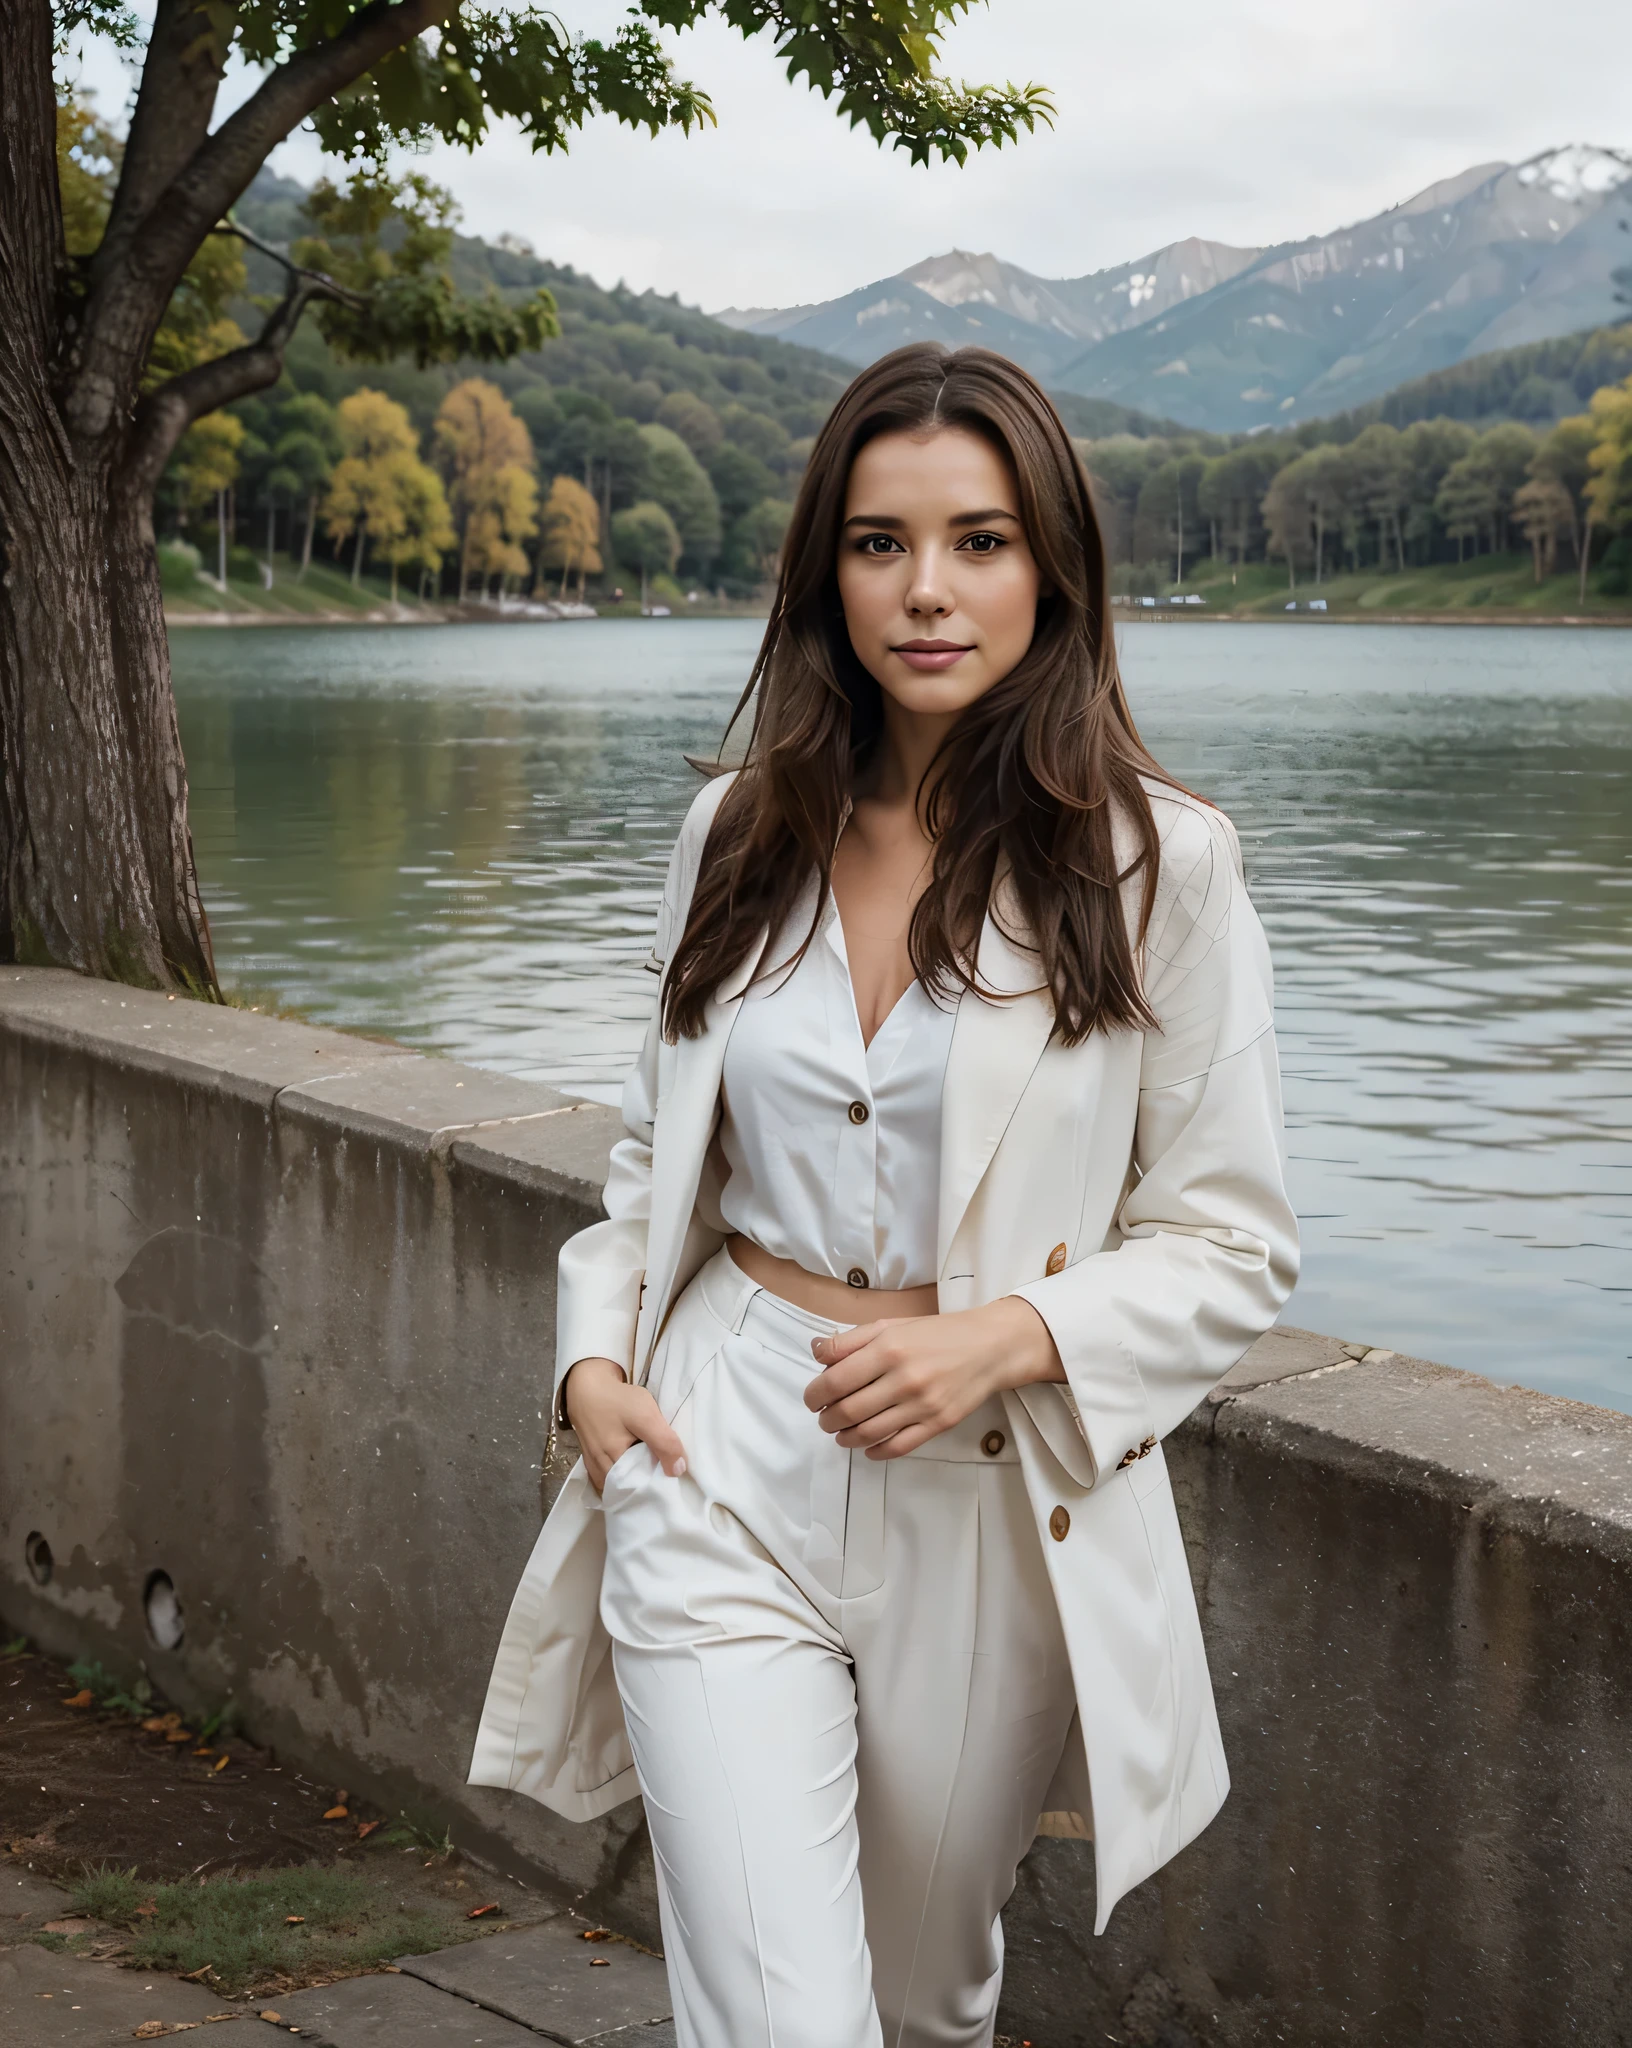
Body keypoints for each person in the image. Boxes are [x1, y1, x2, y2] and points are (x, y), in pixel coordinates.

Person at [470, 343, 1299, 2048]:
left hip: (988, 1498)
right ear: (822, 570)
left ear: (1053, 567)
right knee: (788, 2016)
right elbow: (653, 1156)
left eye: (981, 541)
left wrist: (1006, 1337)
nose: (928, 590)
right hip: (717, 1452)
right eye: (878, 543)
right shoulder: (732, 833)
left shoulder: (1164, 868)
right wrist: (588, 1365)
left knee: (920, 2005)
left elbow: (1232, 1243)